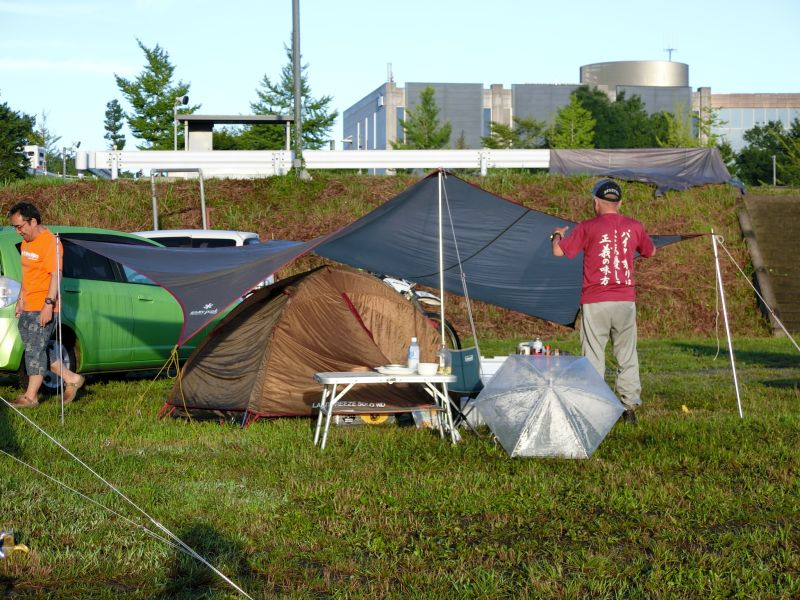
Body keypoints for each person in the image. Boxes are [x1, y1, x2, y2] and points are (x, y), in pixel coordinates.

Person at [551, 179, 655, 424]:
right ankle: (629, 407)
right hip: (625, 301)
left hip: (595, 300)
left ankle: (596, 408)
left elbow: (558, 251)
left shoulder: (587, 227)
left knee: (593, 355)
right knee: (626, 355)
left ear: (596, 202)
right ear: (620, 203)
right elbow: (650, 251)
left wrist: (556, 235)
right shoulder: (634, 226)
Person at [7, 202, 85, 407]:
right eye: (15, 227)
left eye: (20, 226)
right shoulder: (26, 243)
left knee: (35, 351)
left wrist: (49, 304)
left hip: (43, 305)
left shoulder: (51, 243)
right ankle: (72, 378)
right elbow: (27, 274)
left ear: (33, 221)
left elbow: (55, 276)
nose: (18, 231)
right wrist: (21, 299)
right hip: (28, 304)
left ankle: (30, 397)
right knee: (36, 348)